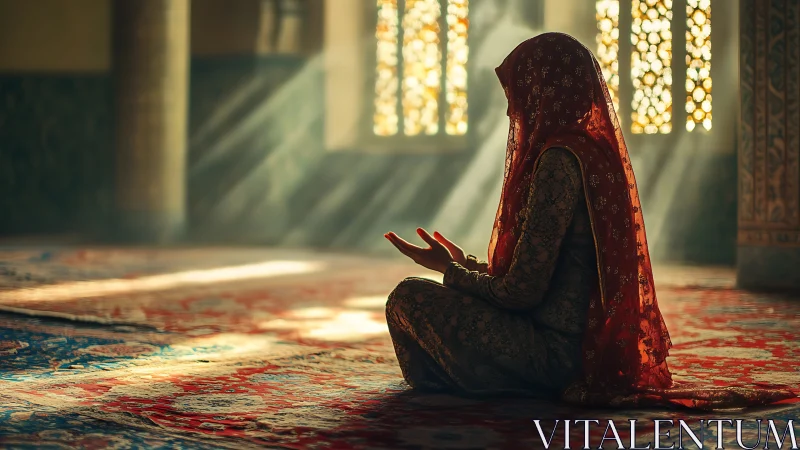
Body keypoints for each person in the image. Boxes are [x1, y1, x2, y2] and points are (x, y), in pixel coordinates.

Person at [383, 32, 795, 409]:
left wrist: (451, 273)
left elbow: (521, 294)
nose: (512, 109)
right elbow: (549, 273)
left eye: (520, 90)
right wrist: (470, 266)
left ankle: (491, 386)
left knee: (407, 296)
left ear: (545, 90)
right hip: (579, 349)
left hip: (555, 354)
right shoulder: (589, 153)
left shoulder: (558, 162)